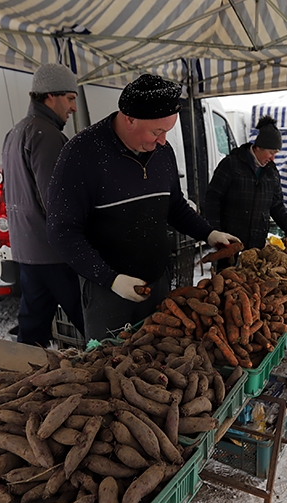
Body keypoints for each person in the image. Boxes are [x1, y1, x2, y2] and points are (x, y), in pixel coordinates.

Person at [46, 74, 239, 341]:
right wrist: (111, 279)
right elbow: (61, 231)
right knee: (110, 366)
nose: (162, 141)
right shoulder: (81, 154)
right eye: (157, 132)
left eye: (166, 132)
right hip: (108, 293)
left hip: (158, 284)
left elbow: (175, 206)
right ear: (129, 119)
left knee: (159, 359)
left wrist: (208, 234)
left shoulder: (163, 153)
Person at [1, 63, 85, 349]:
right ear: (51, 96)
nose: (73, 108)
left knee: (32, 328)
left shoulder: (15, 132)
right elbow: (56, 201)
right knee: (91, 317)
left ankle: (23, 376)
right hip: (53, 252)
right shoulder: (46, 135)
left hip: (26, 250)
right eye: (71, 99)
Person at [204, 115, 287, 258]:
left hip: (256, 244)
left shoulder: (271, 172)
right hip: (230, 242)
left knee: (252, 278)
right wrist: (215, 230)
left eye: (275, 153)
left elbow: (276, 205)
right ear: (258, 147)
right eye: (271, 152)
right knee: (226, 276)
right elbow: (212, 198)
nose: (272, 158)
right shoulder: (231, 164)